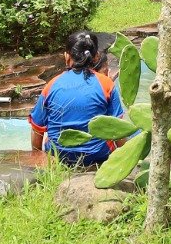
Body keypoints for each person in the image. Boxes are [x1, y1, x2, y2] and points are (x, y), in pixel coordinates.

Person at [31, 30, 126, 166]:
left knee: (48, 135)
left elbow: (37, 127)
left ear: (66, 56)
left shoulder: (51, 85)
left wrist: (37, 158)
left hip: (58, 156)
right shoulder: (106, 84)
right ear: (96, 56)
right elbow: (118, 128)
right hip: (97, 156)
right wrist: (125, 158)